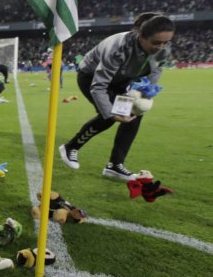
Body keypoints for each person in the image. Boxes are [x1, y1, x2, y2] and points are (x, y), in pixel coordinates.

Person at [59, 13, 175, 181]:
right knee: (109, 116)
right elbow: (99, 86)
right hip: (90, 77)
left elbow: (155, 70)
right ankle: (70, 147)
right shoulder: (118, 47)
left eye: (166, 42)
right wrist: (111, 112)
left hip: (124, 82)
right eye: (156, 43)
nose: (161, 47)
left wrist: (145, 92)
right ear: (142, 36)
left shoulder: (163, 51)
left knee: (134, 114)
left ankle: (115, 166)